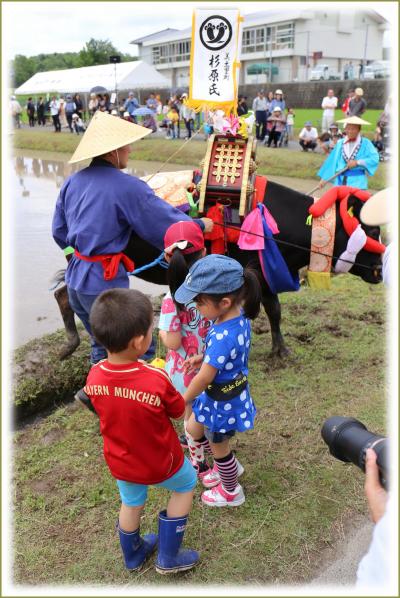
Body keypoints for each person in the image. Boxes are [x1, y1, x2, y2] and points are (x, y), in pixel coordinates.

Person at [52, 111, 213, 364]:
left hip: (75, 283)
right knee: (135, 347)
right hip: (104, 288)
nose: (130, 150)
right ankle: (121, 396)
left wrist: (77, 257)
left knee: (102, 342)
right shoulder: (128, 187)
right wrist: (200, 224)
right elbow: (165, 224)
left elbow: (59, 231)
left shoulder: (72, 181)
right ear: (112, 150)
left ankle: (95, 391)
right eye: (126, 145)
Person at [81, 288, 199, 573]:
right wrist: (150, 374)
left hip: (122, 460)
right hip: (161, 460)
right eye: (150, 328)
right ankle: (169, 558)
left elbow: (104, 401)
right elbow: (177, 411)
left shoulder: (94, 374)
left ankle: (133, 555)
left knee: (131, 503)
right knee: (185, 486)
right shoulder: (156, 378)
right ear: (139, 342)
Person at [174, 255, 261, 507]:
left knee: (218, 444)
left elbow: (204, 378)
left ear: (223, 302)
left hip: (221, 401)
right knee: (197, 431)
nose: (196, 308)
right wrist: (204, 357)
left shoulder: (223, 332)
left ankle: (231, 491)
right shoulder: (237, 317)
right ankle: (227, 468)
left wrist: (184, 398)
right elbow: (227, 354)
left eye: (199, 303)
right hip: (225, 393)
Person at [159, 221, 217, 485]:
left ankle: (199, 463)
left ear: (167, 257)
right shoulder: (215, 290)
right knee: (208, 411)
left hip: (184, 372)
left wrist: (160, 332)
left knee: (190, 417)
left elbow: (172, 343)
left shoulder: (171, 299)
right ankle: (216, 447)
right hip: (212, 364)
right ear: (203, 254)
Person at [318, 115, 379, 189]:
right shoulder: (340, 143)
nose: (350, 131)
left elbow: (374, 159)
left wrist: (357, 162)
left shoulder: (366, 143)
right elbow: (332, 161)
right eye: (348, 128)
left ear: (359, 130)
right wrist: (324, 179)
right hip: (340, 182)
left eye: (353, 129)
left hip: (358, 183)